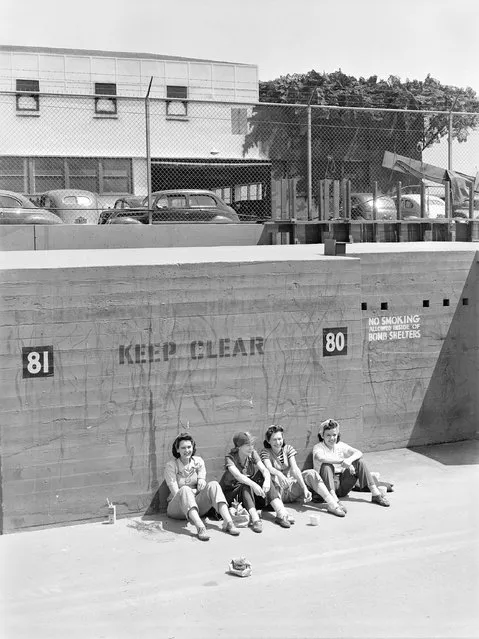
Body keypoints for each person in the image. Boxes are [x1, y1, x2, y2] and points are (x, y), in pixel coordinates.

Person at [164, 433, 241, 541]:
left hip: (196, 507)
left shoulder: (198, 461)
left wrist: (201, 481)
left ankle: (229, 522)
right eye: (183, 448)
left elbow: (202, 480)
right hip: (177, 509)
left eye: (189, 447)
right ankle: (200, 527)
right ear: (177, 450)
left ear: (193, 447)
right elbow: (176, 493)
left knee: (213, 484)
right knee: (185, 489)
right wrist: (195, 490)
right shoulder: (171, 466)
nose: (187, 450)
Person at [260, 425, 346, 518]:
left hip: (290, 488)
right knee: (271, 481)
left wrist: (304, 488)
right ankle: (283, 513)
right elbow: (269, 468)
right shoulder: (265, 452)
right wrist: (280, 474)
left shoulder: (288, 449)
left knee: (311, 473)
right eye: (274, 439)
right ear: (268, 441)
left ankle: (332, 504)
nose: (278, 442)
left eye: (279, 439)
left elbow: (295, 469)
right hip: (277, 491)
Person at [219, 431, 292, 532]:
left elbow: (264, 470)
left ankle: (281, 513)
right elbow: (238, 476)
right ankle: (255, 520)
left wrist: (266, 480)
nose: (251, 447)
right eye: (247, 445)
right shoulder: (230, 458)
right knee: (246, 483)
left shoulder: (252, 453)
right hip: (231, 495)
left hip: (248, 495)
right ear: (239, 446)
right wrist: (254, 485)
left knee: (262, 476)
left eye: (252, 444)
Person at [312, 419, 390, 507]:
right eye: (328, 435)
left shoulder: (340, 445)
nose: (332, 438)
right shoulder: (318, 447)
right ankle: (334, 501)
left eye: (334, 435)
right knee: (326, 466)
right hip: (327, 486)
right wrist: (342, 461)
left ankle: (375, 494)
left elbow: (359, 452)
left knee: (359, 462)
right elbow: (321, 458)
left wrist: (349, 461)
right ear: (322, 435)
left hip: (343, 483)